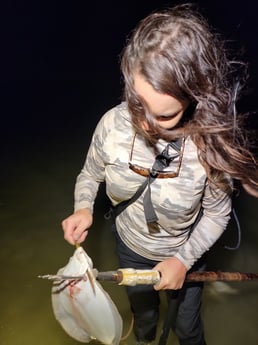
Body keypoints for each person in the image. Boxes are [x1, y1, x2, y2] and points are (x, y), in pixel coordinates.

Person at [62, 3, 258, 345]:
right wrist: (83, 207)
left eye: (164, 116)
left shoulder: (207, 148)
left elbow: (216, 214)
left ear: (194, 99)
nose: (145, 126)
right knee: (144, 319)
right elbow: (90, 174)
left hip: (186, 254)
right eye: (137, 105)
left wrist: (182, 262)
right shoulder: (111, 123)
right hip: (130, 248)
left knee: (187, 328)